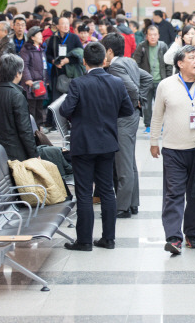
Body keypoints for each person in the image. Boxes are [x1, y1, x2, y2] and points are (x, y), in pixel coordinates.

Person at [60, 42, 134, 251]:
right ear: (104, 60)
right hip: (107, 142)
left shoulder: (78, 83)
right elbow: (127, 110)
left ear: (84, 62)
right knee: (108, 191)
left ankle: (84, 241)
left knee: (84, 193)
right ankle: (108, 239)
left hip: (83, 144)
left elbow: (66, 110)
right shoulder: (117, 83)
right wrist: (107, 117)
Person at [150, 46, 195, 253]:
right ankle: (173, 237)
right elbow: (157, 115)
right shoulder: (165, 85)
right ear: (180, 63)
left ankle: (192, 233)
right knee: (173, 194)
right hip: (173, 149)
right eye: (192, 58)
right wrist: (154, 141)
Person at [103, 33, 153, 218]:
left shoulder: (115, 66)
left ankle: (122, 207)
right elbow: (147, 78)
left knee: (123, 163)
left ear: (109, 51)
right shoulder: (129, 61)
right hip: (132, 116)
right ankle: (133, 203)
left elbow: (132, 87)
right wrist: (140, 100)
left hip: (124, 117)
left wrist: (136, 100)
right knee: (129, 161)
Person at [0, 54, 38, 161]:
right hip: (17, 154)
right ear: (18, 74)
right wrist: (34, 155)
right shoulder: (17, 96)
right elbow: (25, 130)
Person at [133, 25, 171, 134]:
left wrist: (168, 78)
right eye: (150, 35)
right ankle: (148, 125)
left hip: (160, 80)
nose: (153, 37)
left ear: (158, 35)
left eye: (155, 35)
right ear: (147, 36)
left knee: (161, 105)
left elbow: (168, 64)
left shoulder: (163, 46)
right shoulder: (142, 46)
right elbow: (136, 63)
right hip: (146, 81)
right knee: (146, 105)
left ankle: (161, 125)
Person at [45, 16, 83, 100]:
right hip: (57, 73)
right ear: (57, 26)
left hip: (72, 74)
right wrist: (53, 61)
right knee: (56, 100)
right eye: (63, 24)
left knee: (71, 99)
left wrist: (68, 60)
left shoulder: (74, 38)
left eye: (67, 24)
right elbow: (48, 54)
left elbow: (81, 55)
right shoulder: (53, 39)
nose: (66, 26)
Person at [19, 26, 47, 129]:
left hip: (41, 83)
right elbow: (24, 65)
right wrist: (28, 79)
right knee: (32, 108)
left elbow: (44, 66)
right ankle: (32, 130)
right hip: (32, 84)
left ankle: (39, 129)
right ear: (32, 37)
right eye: (39, 34)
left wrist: (46, 80)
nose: (41, 36)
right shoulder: (26, 49)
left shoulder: (41, 48)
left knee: (40, 107)